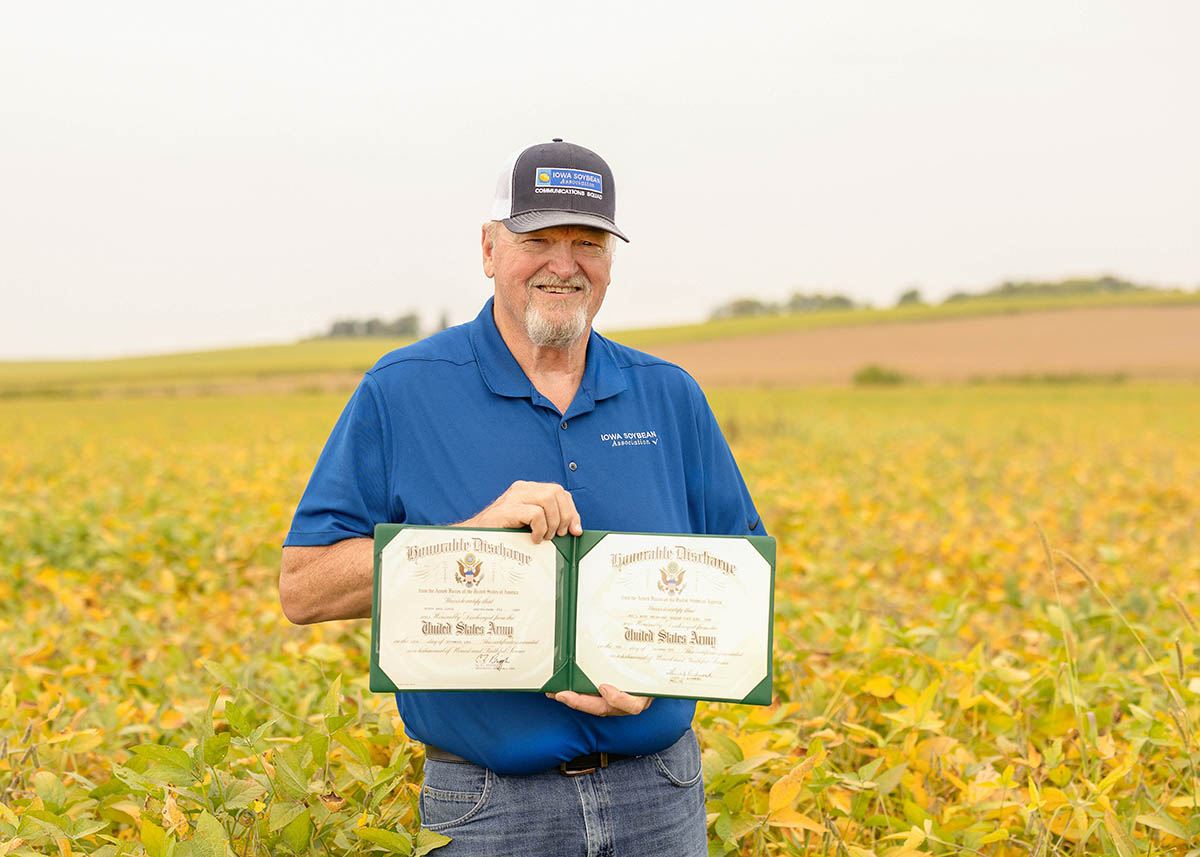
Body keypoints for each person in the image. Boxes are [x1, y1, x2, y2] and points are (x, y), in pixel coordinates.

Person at [279, 138, 764, 856]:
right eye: (538, 240)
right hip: (487, 807)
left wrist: (658, 674)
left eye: (588, 243)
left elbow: (742, 583)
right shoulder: (402, 390)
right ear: (488, 249)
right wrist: (469, 539)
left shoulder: (670, 394)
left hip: (661, 795)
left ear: (609, 260)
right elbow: (304, 587)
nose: (564, 265)